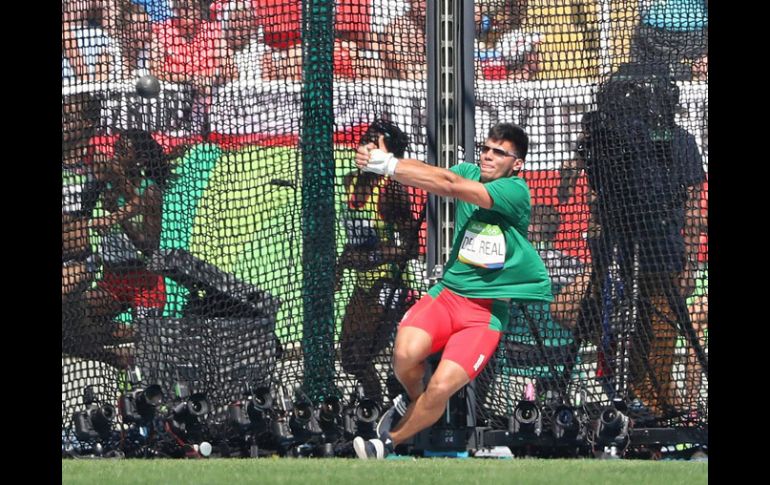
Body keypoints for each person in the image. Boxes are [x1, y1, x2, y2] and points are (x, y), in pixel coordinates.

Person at [351, 122, 552, 459]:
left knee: (441, 388)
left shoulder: (515, 192)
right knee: (403, 357)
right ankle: (412, 400)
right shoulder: (470, 170)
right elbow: (431, 174)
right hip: (446, 297)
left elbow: (451, 185)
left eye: (499, 153)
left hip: (483, 315)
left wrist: (387, 164)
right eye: (486, 148)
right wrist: (387, 161)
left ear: (516, 164)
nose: (488, 156)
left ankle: (386, 443)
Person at [562, 62, 706, 420]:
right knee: (580, 311)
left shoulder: (679, 139)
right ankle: (613, 384)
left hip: (661, 248)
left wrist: (689, 262)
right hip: (612, 248)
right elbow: (567, 185)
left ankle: (656, 411)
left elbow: (691, 204)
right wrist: (586, 147)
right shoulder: (606, 138)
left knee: (658, 332)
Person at [335, 119, 426, 407]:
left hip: (391, 284)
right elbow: (356, 240)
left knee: (363, 351)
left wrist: (372, 257)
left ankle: (390, 403)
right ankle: (374, 405)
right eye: (365, 140)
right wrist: (340, 266)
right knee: (350, 358)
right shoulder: (350, 181)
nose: (366, 146)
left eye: (375, 142)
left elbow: (411, 248)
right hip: (363, 283)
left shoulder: (390, 190)